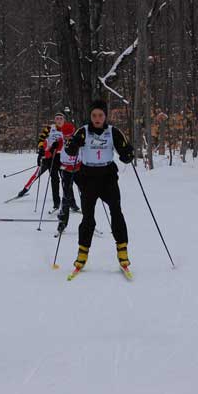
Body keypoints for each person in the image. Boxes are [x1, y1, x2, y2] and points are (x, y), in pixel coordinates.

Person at [65, 100, 134, 272]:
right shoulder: (83, 131)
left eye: (100, 115)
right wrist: (72, 147)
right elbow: (70, 149)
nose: (97, 118)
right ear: (90, 116)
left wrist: (128, 154)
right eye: (94, 115)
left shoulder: (113, 132)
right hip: (88, 177)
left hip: (108, 177)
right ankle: (82, 253)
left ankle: (122, 250)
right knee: (88, 217)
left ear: (105, 116)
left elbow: (125, 151)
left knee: (116, 211)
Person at [16, 112, 65, 210]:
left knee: (64, 179)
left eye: (61, 118)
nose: (59, 120)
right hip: (48, 157)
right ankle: (25, 189)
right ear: (55, 120)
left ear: (64, 120)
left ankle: (68, 201)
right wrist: (41, 150)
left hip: (61, 157)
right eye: (57, 118)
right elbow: (41, 139)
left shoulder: (66, 129)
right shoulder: (49, 128)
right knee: (36, 174)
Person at [56, 122, 81, 234]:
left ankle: (88, 220)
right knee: (65, 196)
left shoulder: (78, 139)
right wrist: (49, 150)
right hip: (66, 170)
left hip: (79, 169)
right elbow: (50, 147)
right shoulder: (60, 140)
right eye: (65, 135)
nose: (67, 137)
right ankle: (62, 222)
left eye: (69, 134)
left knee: (86, 194)